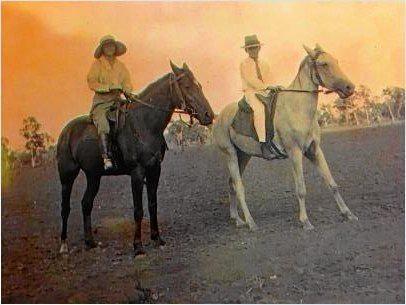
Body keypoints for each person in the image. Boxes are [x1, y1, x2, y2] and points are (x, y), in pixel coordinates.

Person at [235, 34, 287, 159]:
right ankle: (263, 144)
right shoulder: (244, 64)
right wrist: (267, 87)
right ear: (246, 50)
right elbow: (251, 80)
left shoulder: (264, 63)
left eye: (255, 48)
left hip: (264, 91)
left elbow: (270, 78)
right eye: (251, 48)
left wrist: (275, 86)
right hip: (251, 92)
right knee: (259, 110)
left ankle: (281, 139)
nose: (254, 50)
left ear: (259, 48)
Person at [87, 35, 133, 170]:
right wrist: (107, 87)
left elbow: (127, 81)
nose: (110, 48)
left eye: (112, 45)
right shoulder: (97, 64)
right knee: (103, 124)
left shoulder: (121, 66)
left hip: (118, 101)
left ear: (115, 48)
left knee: (131, 117)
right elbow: (92, 82)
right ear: (103, 49)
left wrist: (127, 90)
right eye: (107, 46)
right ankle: (106, 157)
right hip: (102, 103)